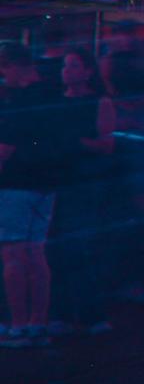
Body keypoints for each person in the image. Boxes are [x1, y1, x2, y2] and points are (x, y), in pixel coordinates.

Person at [48, 50, 115, 335]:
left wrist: (75, 142)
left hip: (84, 181)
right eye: (65, 66)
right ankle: (64, 312)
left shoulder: (99, 102)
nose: (67, 71)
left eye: (73, 66)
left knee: (77, 246)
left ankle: (90, 313)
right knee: (56, 247)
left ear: (87, 71)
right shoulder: (55, 102)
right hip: (56, 179)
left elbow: (107, 144)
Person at [0, 43, 61, 346]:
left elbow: (4, 150)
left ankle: (18, 325)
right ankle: (38, 322)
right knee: (36, 254)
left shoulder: (18, 103)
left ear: (15, 66)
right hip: (46, 183)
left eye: (3, 68)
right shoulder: (52, 94)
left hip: (15, 185)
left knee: (12, 253)